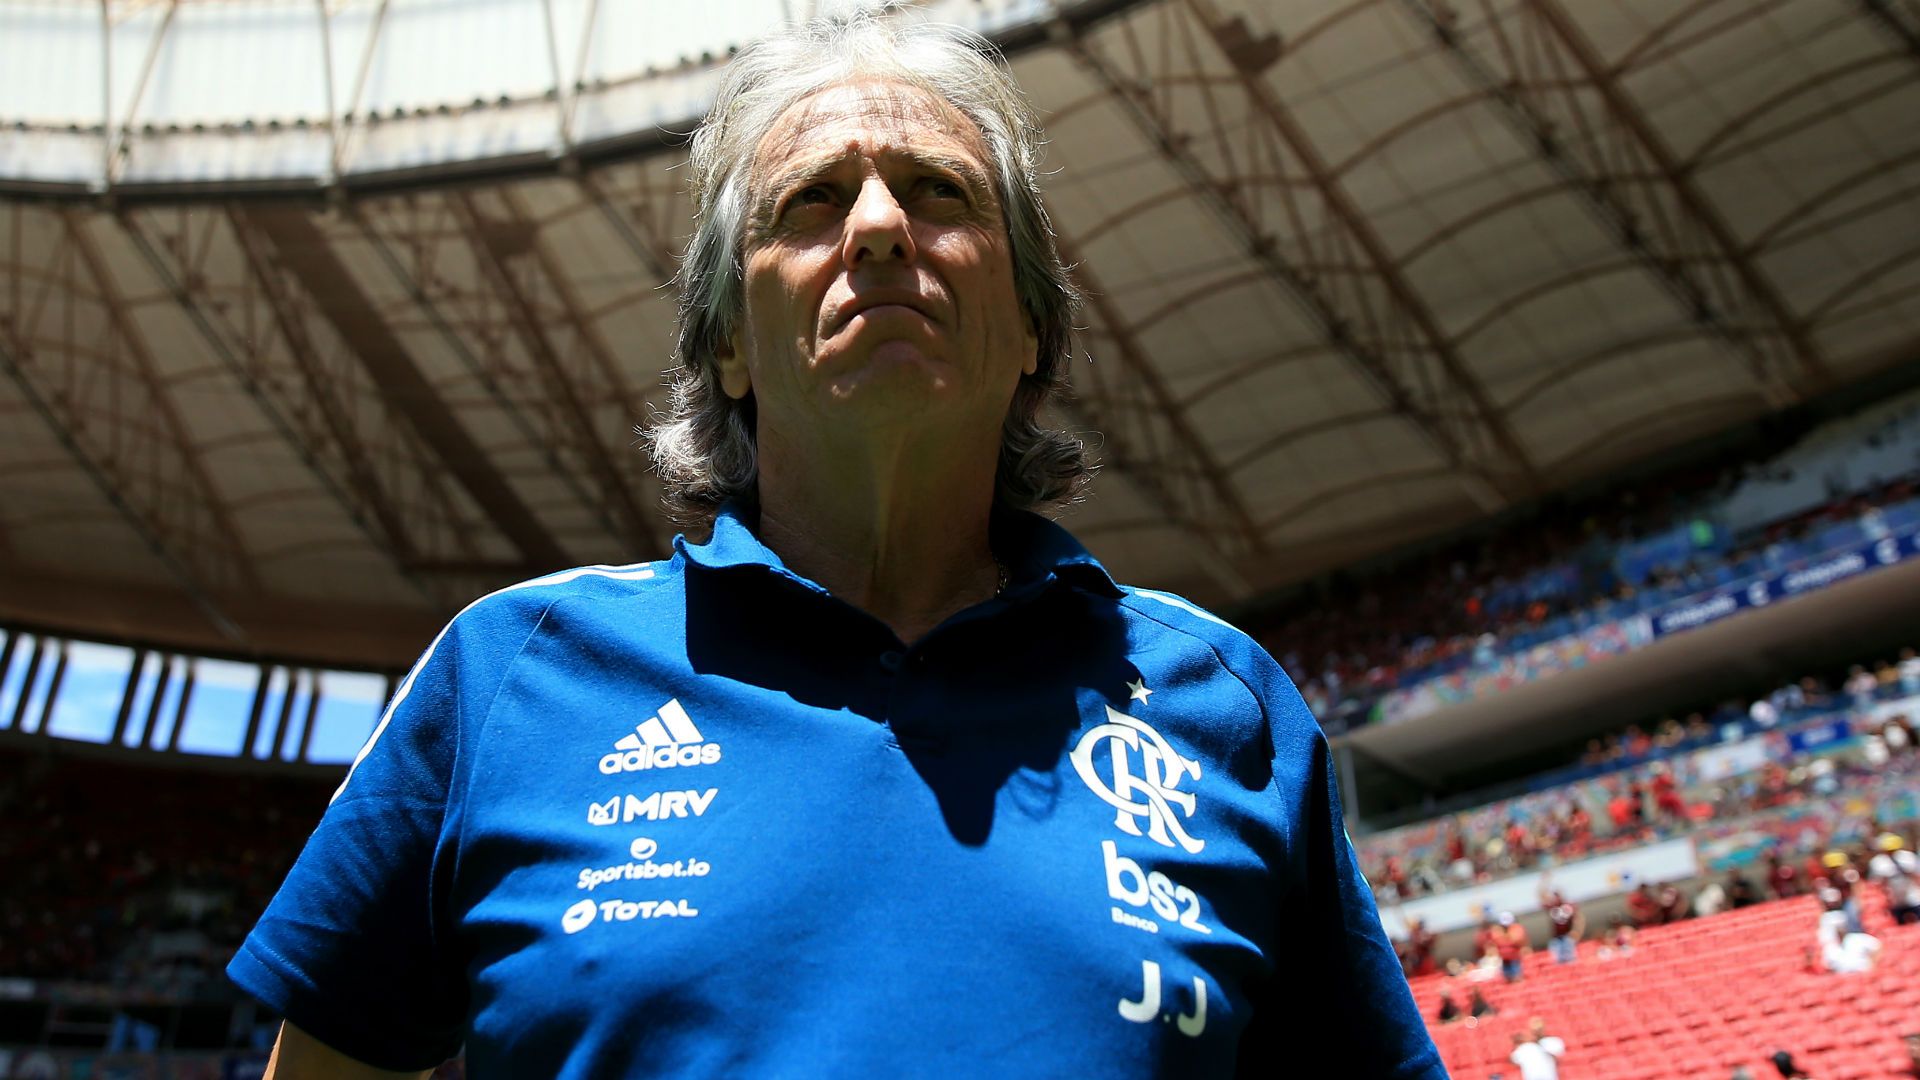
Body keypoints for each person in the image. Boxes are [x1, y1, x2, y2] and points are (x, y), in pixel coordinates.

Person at [221, 13, 1443, 1080]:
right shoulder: (509, 677)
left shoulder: (1224, 706)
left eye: (941, 193)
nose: (876, 229)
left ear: (1030, 329)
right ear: (731, 347)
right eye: (811, 201)